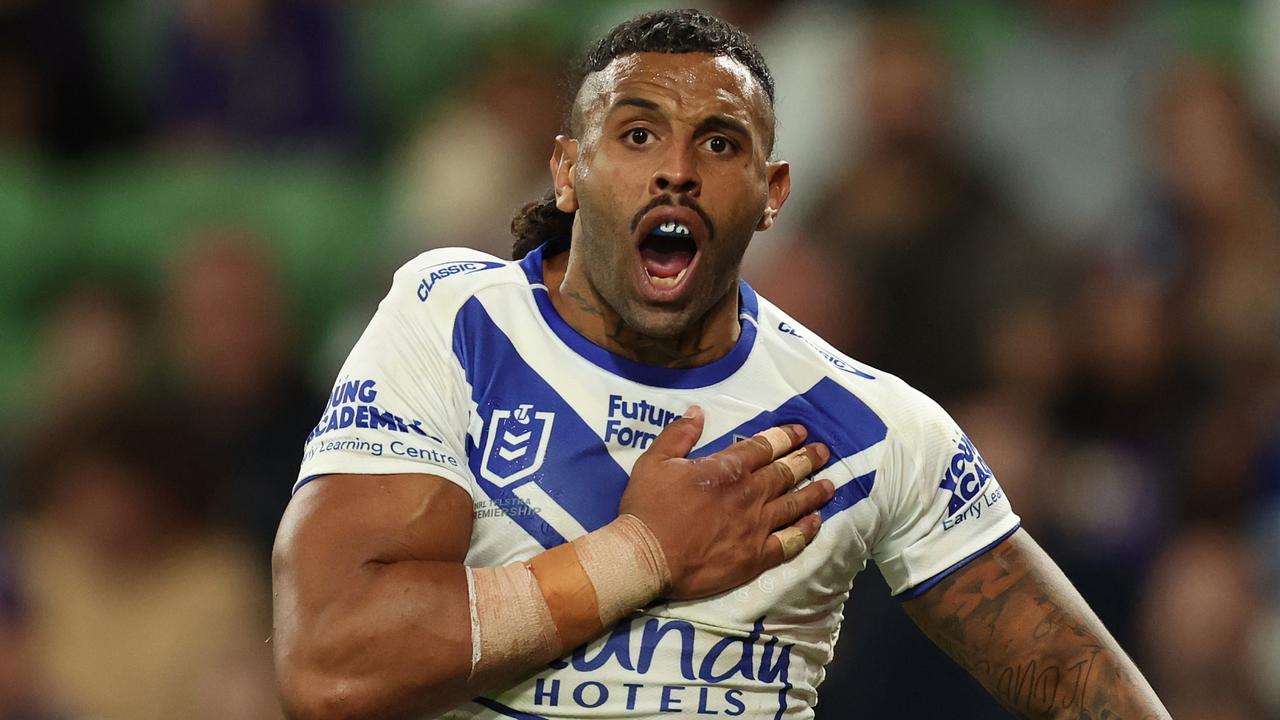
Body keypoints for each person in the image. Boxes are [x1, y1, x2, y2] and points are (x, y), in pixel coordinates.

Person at [272, 10, 1170, 719]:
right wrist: (645, 551)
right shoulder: (457, 323)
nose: (676, 171)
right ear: (567, 170)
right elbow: (331, 669)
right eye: (636, 135)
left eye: (719, 142)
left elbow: (1078, 684)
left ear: (772, 193)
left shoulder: (870, 429)